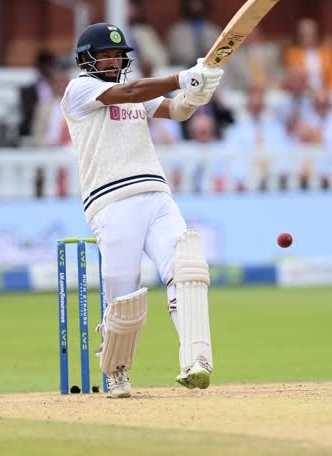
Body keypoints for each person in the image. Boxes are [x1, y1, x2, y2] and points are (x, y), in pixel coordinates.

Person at [61, 22, 224, 398]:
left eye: (119, 54)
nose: (114, 60)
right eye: (106, 54)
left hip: (156, 194)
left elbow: (175, 111)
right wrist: (184, 76)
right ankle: (117, 370)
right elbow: (132, 91)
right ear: (87, 59)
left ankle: (195, 360)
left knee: (187, 269)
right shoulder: (79, 90)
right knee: (124, 297)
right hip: (111, 202)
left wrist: (196, 94)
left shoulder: (135, 89)